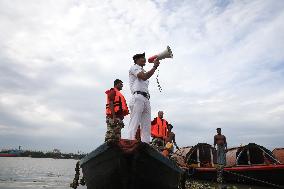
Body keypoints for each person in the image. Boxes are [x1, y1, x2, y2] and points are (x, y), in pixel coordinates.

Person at [128, 52, 160, 143]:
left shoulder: (143, 70)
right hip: (137, 97)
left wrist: (154, 67)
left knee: (146, 125)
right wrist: (154, 67)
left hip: (145, 98)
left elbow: (145, 75)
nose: (145, 59)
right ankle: (130, 142)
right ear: (136, 60)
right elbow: (144, 77)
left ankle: (145, 144)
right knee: (135, 122)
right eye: (142, 58)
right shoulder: (134, 67)